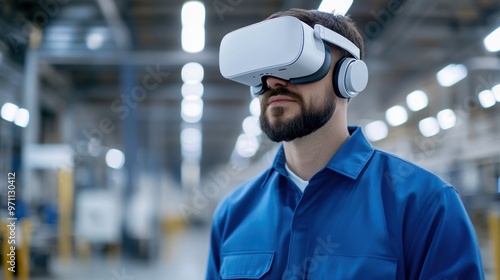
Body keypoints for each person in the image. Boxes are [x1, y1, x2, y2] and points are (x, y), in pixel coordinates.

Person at [207, 8, 484, 279]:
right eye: (263, 70)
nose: (273, 81)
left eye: (297, 63)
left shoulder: (426, 205)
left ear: (348, 75)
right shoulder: (233, 214)